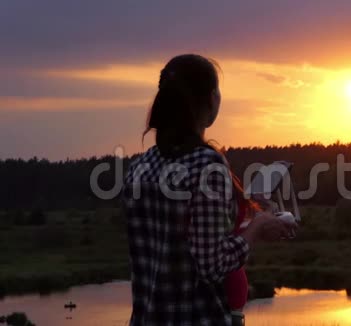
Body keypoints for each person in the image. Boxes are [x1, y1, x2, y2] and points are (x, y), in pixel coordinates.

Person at [121, 54, 297, 326]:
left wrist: (247, 213)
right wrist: (258, 228)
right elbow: (212, 264)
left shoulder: (138, 168)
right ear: (209, 99)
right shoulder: (208, 166)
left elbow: (182, 246)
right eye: (218, 90)